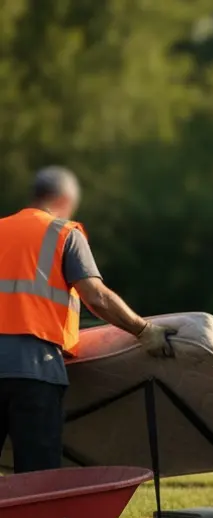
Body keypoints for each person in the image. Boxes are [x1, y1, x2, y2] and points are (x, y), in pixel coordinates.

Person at [0, 166, 176, 474]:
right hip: (35, 369)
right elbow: (96, 296)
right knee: (36, 476)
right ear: (67, 200)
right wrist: (144, 330)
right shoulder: (65, 233)